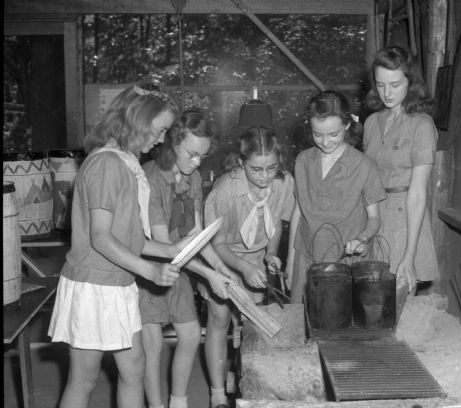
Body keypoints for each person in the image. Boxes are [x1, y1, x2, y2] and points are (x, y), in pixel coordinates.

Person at [47, 83, 187, 408]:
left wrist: (168, 250)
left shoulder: (127, 162)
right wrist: (149, 269)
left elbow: (129, 237)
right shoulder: (106, 164)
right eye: (160, 129)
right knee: (85, 378)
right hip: (92, 286)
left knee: (134, 367)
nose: (163, 139)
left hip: (118, 284)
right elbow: (100, 237)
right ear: (139, 120)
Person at [140, 110, 233, 408]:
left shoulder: (192, 177)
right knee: (151, 347)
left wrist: (218, 265)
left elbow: (194, 234)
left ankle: (177, 402)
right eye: (192, 154)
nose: (196, 162)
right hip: (149, 269)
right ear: (171, 142)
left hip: (178, 268)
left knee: (191, 335)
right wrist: (208, 275)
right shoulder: (152, 178)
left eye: (202, 157)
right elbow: (167, 247)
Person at [203, 124, 295, 408]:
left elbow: (277, 220)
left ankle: (246, 383)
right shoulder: (224, 191)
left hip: (255, 257)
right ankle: (217, 394)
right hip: (223, 256)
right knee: (219, 319)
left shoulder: (283, 182)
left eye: (272, 167)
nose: (266, 176)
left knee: (249, 321)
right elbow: (214, 244)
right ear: (242, 163)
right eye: (257, 169)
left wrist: (269, 253)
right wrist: (241, 266)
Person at [286, 90, 386, 304]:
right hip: (307, 256)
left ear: (347, 125)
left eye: (333, 134)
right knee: (303, 320)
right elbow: (298, 212)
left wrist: (362, 239)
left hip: (345, 260)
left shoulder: (363, 165)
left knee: (339, 320)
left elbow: (375, 218)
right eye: (317, 134)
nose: (325, 142)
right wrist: (290, 260)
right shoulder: (303, 161)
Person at [363, 46, 440, 298]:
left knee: (396, 306)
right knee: (368, 303)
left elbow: (418, 193)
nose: (387, 93)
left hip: (404, 220)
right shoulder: (372, 123)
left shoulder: (422, 124)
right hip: (373, 217)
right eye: (380, 84)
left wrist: (410, 255)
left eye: (395, 84)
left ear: (411, 82)